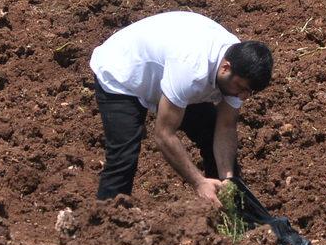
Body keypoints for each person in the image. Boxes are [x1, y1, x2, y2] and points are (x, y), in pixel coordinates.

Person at [89, 11, 273, 207]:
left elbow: (226, 127)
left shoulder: (238, 70)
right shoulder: (192, 70)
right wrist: (198, 182)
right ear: (225, 68)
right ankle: (107, 224)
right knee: (123, 157)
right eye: (242, 89)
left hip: (168, 74)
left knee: (211, 133)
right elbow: (163, 134)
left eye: (249, 92)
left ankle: (221, 210)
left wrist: (228, 178)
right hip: (123, 74)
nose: (243, 96)